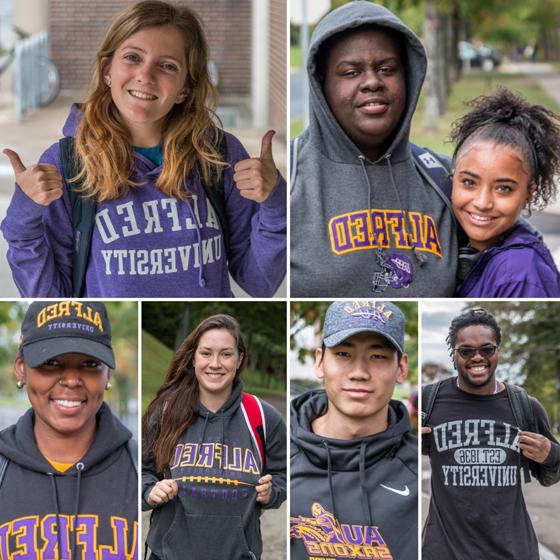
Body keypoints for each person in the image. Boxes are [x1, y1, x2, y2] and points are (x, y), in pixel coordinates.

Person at [1, 0, 286, 298]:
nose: (145, 76)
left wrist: (275, 202)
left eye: (167, 66)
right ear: (107, 69)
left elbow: (260, 282)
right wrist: (24, 214)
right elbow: (48, 297)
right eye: (133, 57)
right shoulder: (68, 164)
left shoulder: (218, 155)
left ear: (185, 88)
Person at [290, 1, 457, 297]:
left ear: (408, 78)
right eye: (351, 72)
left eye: (386, 69)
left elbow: (517, 250)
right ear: (321, 84)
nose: (372, 82)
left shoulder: (445, 178)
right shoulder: (288, 177)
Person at [142, 314, 286, 560]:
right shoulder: (165, 412)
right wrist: (149, 491)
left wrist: (272, 492)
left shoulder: (262, 416)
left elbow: (283, 476)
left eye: (226, 354)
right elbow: (142, 472)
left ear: (239, 359)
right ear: (193, 358)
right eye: (206, 353)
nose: (215, 363)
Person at [0, 300, 138, 559]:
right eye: (51, 362)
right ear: (22, 369)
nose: (72, 380)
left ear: (107, 373)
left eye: (89, 364)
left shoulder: (139, 464)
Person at [422, 307, 560, 560]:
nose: (477, 357)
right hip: (444, 552)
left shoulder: (525, 406)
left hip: (513, 551)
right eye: (466, 350)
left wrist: (550, 455)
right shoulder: (428, 402)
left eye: (486, 349)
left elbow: (551, 477)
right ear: (454, 354)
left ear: (497, 352)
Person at [290, 300, 417, 560]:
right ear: (320, 362)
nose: (359, 372)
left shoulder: (423, 467)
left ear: (401, 368)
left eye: (377, 356)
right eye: (343, 354)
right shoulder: (279, 454)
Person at [450, 88, 560, 296]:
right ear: (452, 179)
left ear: (529, 194)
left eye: (503, 189)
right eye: (469, 182)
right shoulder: (454, 244)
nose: (483, 202)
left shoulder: (520, 274)